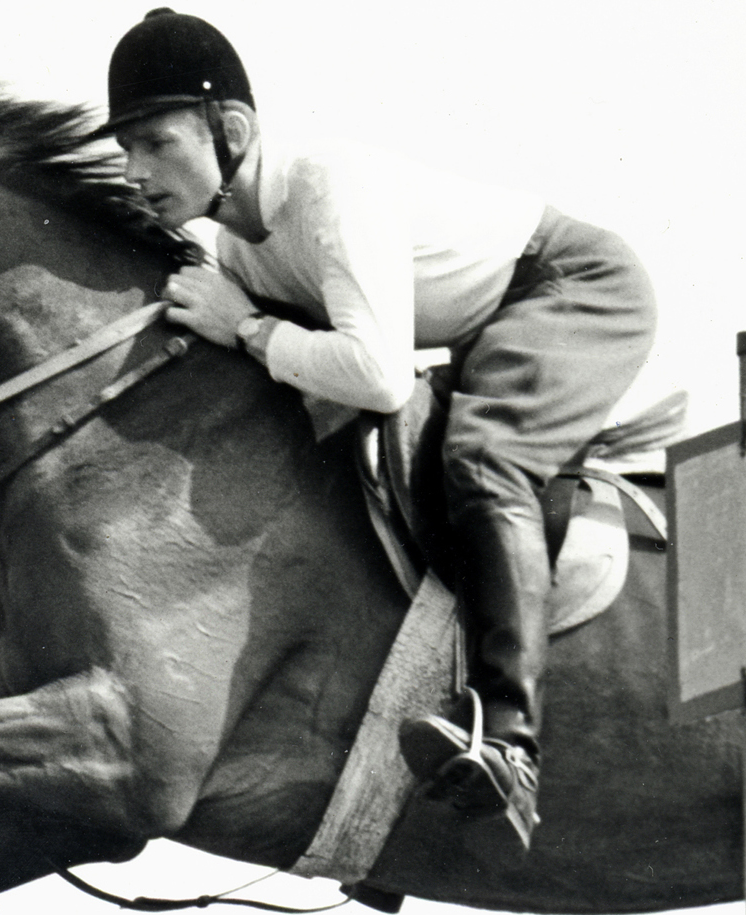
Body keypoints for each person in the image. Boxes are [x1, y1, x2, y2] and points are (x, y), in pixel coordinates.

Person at [88, 9, 656, 850]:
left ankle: (510, 743)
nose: (135, 170)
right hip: (483, 329)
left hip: (573, 289)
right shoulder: (238, 246)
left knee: (484, 460)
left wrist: (248, 331)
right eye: (125, 149)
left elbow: (380, 376)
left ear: (230, 129)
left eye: (156, 143)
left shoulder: (324, 188)